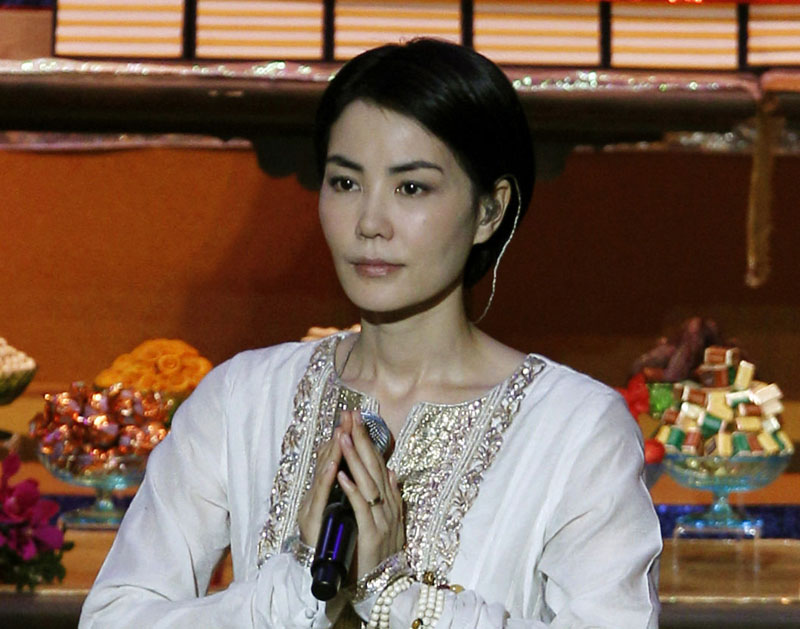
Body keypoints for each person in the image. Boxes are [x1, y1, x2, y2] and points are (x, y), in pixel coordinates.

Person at [80, 39, 661, 628]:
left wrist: (394, 594)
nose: (369, 223)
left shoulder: (575, 429)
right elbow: (113, 618)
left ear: (490, 210)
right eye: (345, 183)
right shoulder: (242, 399)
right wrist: (295, 589)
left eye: (411, 188)